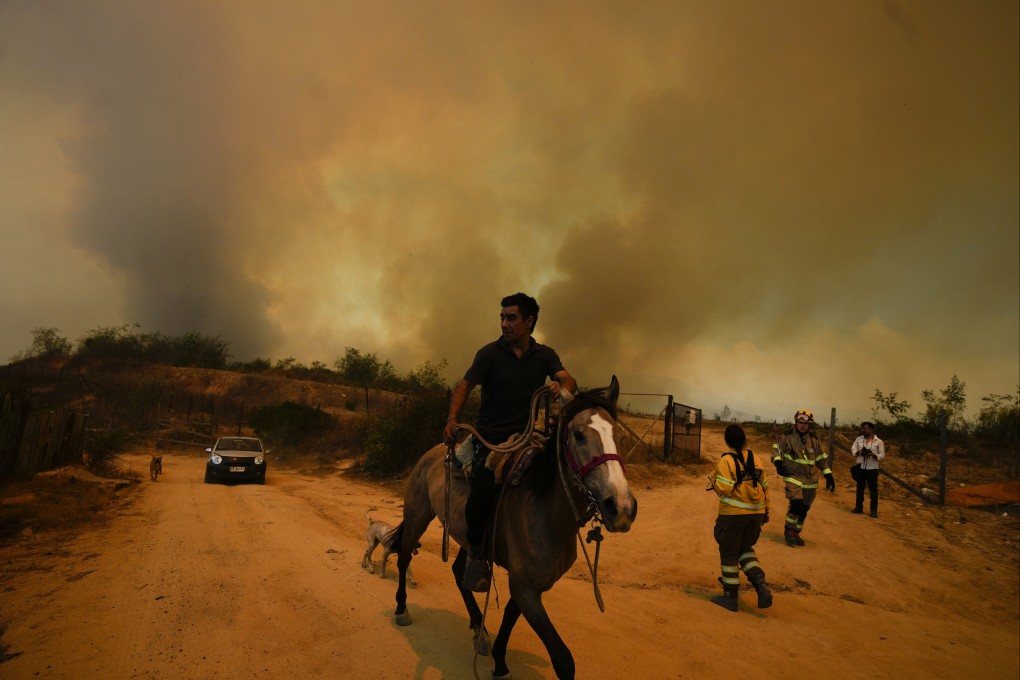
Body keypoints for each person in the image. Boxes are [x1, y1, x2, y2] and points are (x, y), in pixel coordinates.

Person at [443, 292, 577, 592]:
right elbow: (465, 386)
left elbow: (569, 380)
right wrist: (452, 419)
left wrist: (560, 385)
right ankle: (477, 555)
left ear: (529, 321)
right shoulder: (489, 354)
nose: (504, 323)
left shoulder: (544, 355)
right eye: (502, 317)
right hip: (489, 440)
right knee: (480, 494)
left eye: (511, 317)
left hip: (528, 436)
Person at [708, 424, 772, 612]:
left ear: (726, 441)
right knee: (745, 549)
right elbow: (765, 486)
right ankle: (760, 584)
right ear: (744, 440)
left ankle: (730, 597)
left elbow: (725, 489)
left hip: (733, 515)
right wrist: (766, 510)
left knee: (729, 552)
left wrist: (714, 480)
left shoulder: (726, 461)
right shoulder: (756, 458)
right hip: (756, 514)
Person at [771, 409, 834, 547]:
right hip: (792, 476)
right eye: (800, 422)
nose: (803, 425)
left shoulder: (814, 440)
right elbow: (776, 450)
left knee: (804, 509)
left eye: (806, 423)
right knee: (796, 504)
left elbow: (821, 459)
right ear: (796, 422)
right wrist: (778, 462)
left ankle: (796, 532)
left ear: (809, 425)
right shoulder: (786, 437)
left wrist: (828, 474)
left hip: (811, 480)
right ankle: (788, 530)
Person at [850, 421, 885, 517]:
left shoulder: (879, 442)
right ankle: (858, 507)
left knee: (873, 490)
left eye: (865, 429)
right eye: (862, 429)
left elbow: (882, 455)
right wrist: (858, 452)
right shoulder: (858, 439)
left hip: (872, 468)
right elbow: (853, 449)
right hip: (861, 466)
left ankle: (873, 511)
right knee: (860, 488)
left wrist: (874, 455)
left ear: (871, 429)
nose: (863, 430)